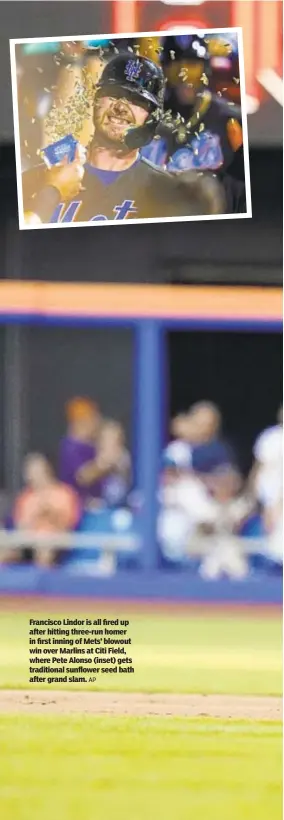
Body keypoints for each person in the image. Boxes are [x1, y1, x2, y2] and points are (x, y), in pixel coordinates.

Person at [22, 52, 225, 225]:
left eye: (136, 100)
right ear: (95, 100)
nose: (120, 107)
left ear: (152, 117)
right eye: (113, 94)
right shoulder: (41, 179)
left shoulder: (164, 192)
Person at [141, 34, 246, 213]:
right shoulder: (143, 118)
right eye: (176, 66)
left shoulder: (233, 121)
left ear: (205, 70)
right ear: (164, 71)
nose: (184, 75)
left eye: (192, 66)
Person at [5, 453, 80, 567]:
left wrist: (50, 514)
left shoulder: (65, 493)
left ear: (47, 470)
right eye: (29, 472)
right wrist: (34, 518)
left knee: (45, 550)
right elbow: (19, 526)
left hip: (54, 539)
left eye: (36, 471)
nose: (31, 476)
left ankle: (43, 583)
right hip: (28, 539)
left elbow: (68, 526)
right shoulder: (25, 497)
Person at [250, 406, 283, 563]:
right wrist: (253, 499)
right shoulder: (270, 437)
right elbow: (258, 469)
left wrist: (277, 506)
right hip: (267, 498)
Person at [58, 397, 103, 504]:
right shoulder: (70, 447)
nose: (97, 422)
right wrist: (107, 463)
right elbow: (83, 476)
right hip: (77, 508)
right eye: (92, 419)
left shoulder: (94, 445)